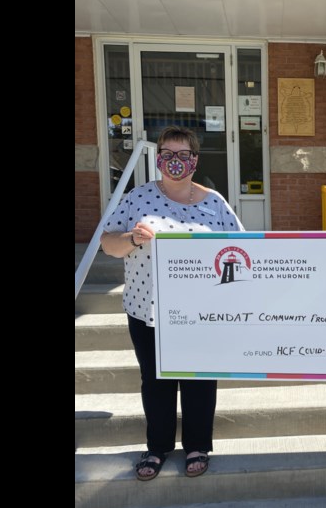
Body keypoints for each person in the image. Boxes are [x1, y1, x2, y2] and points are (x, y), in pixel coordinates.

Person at [100, 126, 245, 481]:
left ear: (195, 160)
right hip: (147, 309)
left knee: (199, 380)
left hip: (202, 312)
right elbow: (108, 243)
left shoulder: (215, 202)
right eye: (168, 153)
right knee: (156, 381)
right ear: (158, 157)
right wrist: (133, 238)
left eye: (183, 154)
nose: (175, 161)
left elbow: (242, 249)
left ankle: (197, 445)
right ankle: (158, 447)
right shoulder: (138, 198)